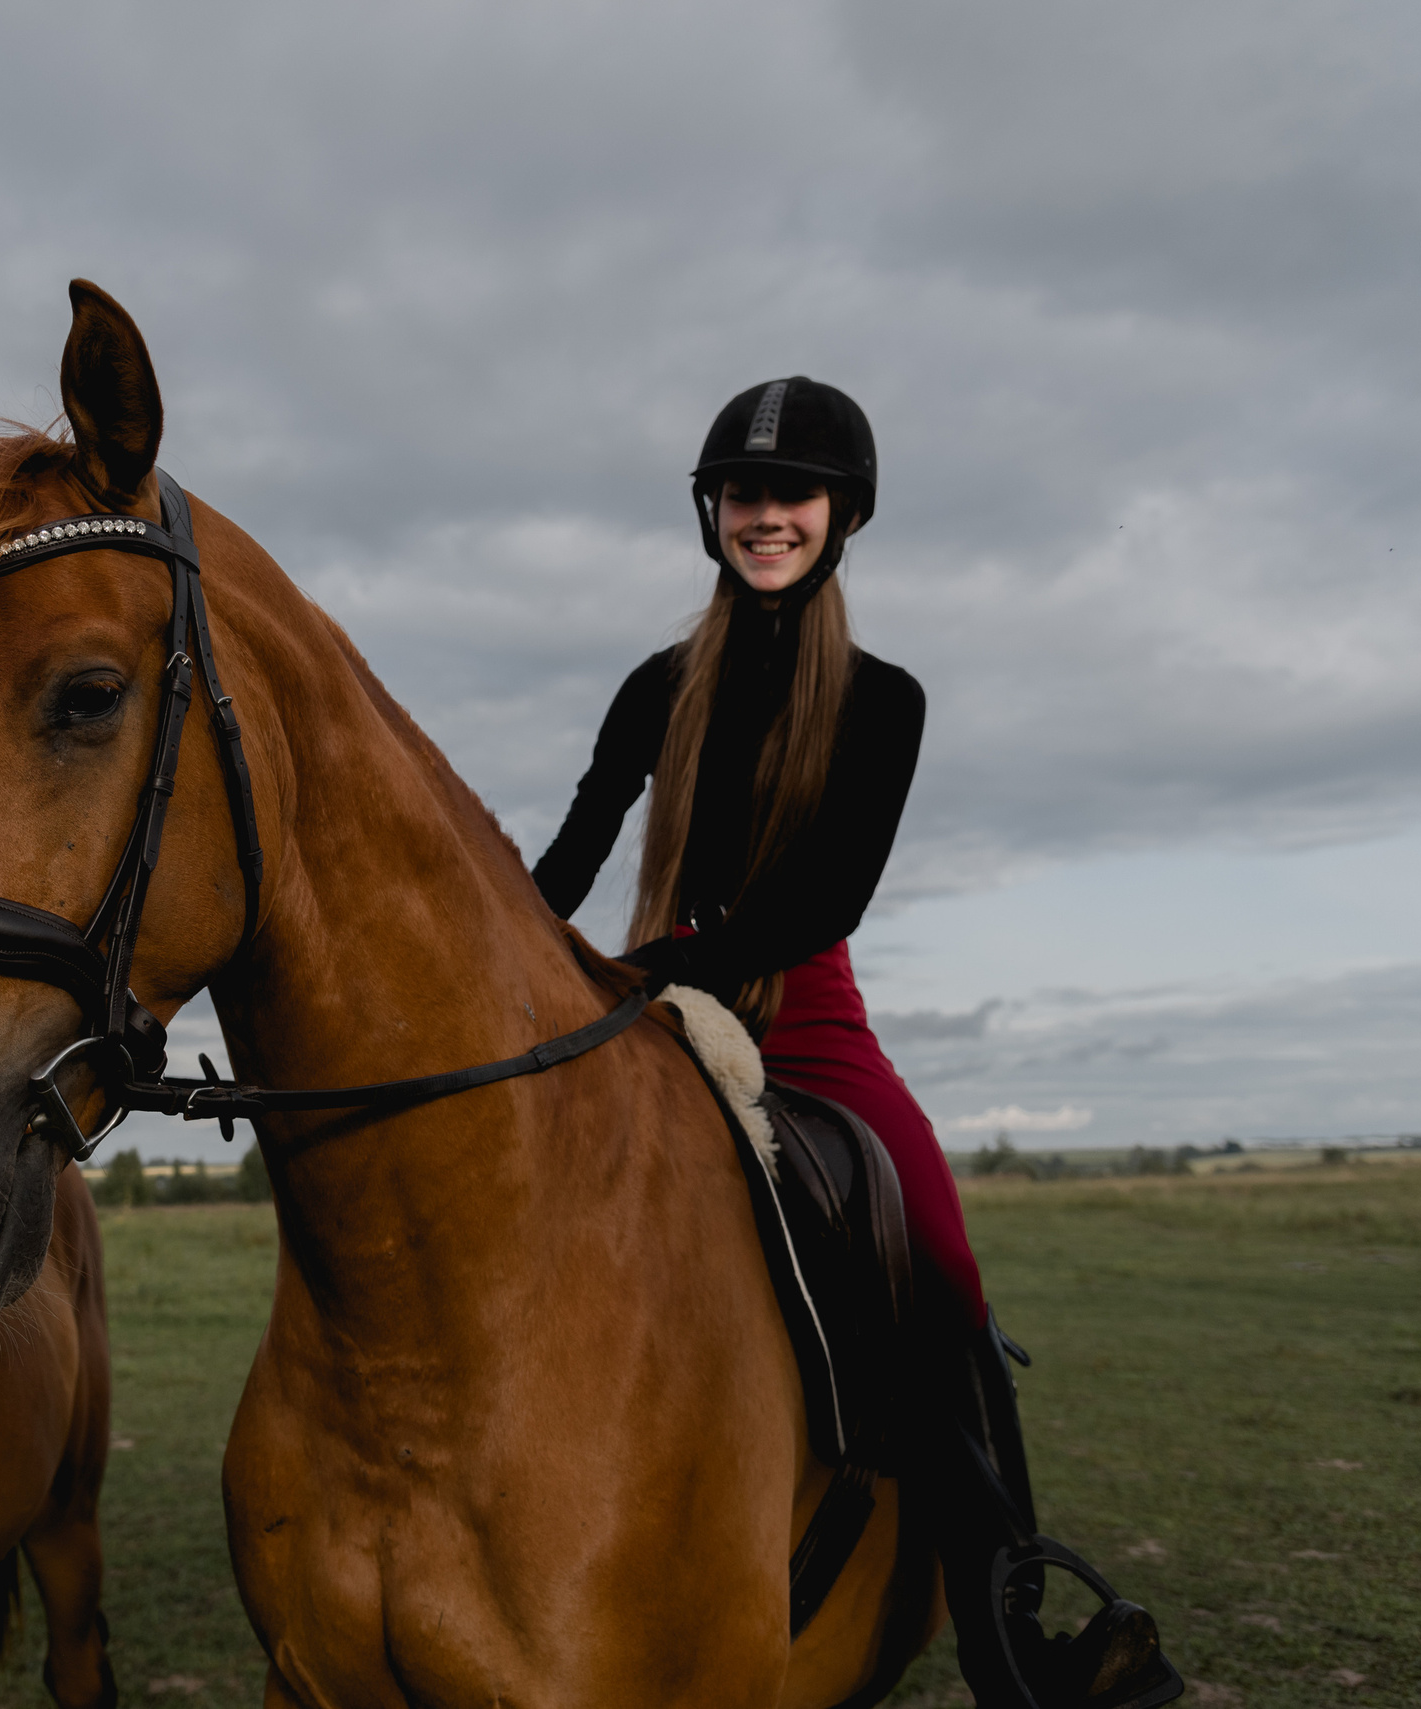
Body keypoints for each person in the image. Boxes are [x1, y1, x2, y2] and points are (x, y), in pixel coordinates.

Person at [534, 378, 1177, 1709]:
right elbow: (576, 851)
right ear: (712, 511)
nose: (768, 517)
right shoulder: (658, 687)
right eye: (746, 496)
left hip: (802, 1009)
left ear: (843, 516)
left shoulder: (885, 699)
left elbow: (826, 902)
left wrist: (651, 963)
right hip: (649, 997)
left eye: (795, 497)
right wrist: (510, 954)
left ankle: (1014, 1626)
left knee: (938, 1250)